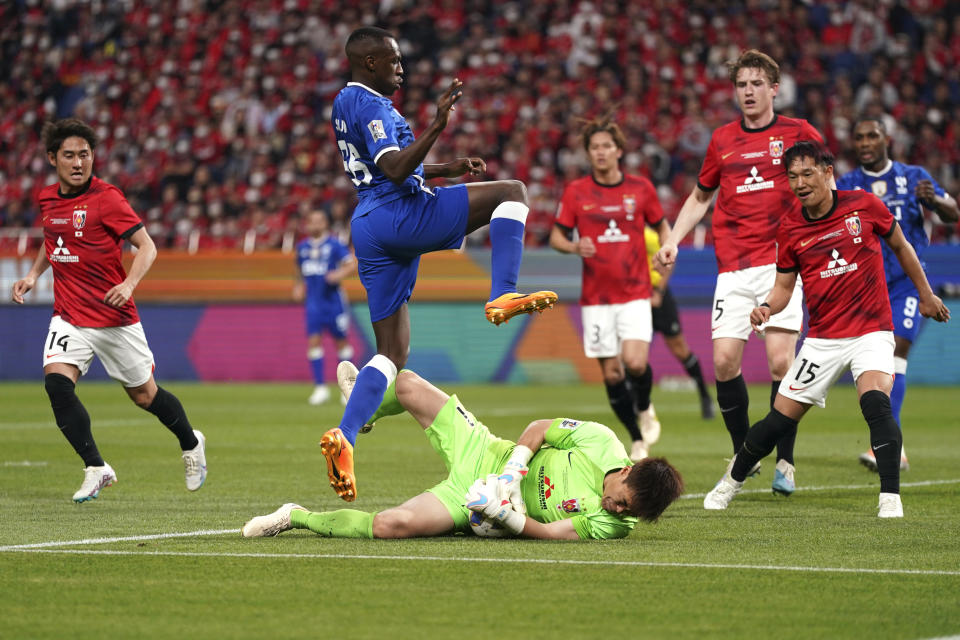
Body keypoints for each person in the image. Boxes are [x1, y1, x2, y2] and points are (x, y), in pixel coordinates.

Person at [321, 27, 557, 503]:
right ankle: (503, 292)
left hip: (370, 225)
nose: (401, 69)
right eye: (393, 61)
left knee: (392, 354)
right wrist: (436, 126)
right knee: (512, 193)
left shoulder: (346, 103)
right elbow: (392, 167)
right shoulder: (369, 104)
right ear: (369, 63)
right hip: (398, 211)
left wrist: (445, 169)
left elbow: (386, 162)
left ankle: (344, 436)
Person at [703, 141, 950, 518]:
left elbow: (901, 246)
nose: (800, 183)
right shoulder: (790, 228)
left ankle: (890, 499)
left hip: (871, 330)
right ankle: (730, 483)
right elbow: (785, 288)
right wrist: (767, 308)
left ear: (828, 172)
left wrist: (926, 294)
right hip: (822, 340)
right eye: (792, 176)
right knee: (777, 421)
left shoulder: (865, 206)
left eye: (807, 173)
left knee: (874, 402)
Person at [241, 362, 684, 540]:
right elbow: (538, 429)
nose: (617, 510)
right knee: (410, 383)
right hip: (490, 453)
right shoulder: (602, 440)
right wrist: (512, 470)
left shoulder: (614, 524)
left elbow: (550, 535)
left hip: (480, 500)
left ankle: (293, 516)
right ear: (629, 469)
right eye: (622, 501)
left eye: (626, 512)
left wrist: (503, 512)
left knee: (392, 525)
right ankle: (364, 414)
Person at [656, 50, 826, 497]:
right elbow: (699, 196)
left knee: (780, 361)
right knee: (726, 362)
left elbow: (826, 181)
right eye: (741, 85)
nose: (748, 92)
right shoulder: (722, 140)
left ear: (774, 88)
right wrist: (672, 239)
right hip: (732, 266)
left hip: (782, 264)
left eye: (756, 84)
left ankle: (785, 461)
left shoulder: (797, 133)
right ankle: (743, 454)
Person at [10, 118, 207, 502]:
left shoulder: (107, 198)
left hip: (113, 316)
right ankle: (96, 467)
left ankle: (190, 441)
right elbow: (53, 240)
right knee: (56, 384)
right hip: (68, 314)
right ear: (53, 159)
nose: (79, 162)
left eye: (85, 154)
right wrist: (34, 275)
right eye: (69, 155)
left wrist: (128, 284)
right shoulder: (48, 199)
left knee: (145, 397)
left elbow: (147, 246)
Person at [837, 117, 960, 472]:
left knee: (897, 351)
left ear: (886, 139)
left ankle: (886, 445)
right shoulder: (847, 184)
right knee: (876, 367)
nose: (865, 143)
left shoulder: (913, 175)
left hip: (907, 283)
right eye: (859, 137)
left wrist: (935, 199)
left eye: (872, 136)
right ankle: (894, 445)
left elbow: (953, 213)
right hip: (865, 286)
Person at [549, 117, 670, 463]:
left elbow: (663, 227)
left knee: (634, 362)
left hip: (634, 291)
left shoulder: (641, 188)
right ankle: (635, 437)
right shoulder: (576, 192)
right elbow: (557, 235)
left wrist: (666, 250)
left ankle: (645, 407)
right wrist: (574, 247)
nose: (600, 152)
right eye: (594, 147)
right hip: (597, 299)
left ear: (618, 150)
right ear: (588, 154)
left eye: (606, 146)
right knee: (612, 373)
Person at [644, 227, 715, 420]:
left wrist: (658, 290)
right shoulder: (621, 231)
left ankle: (705, 397)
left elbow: (669, 260)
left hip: (658, 295)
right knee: (634, 355)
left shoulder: (653, 231)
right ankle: (639, 406)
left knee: (680, 349)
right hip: (635, 297)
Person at [293, 209, 356, 405]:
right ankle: (320, 388)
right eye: (312, 221)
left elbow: (352, 264)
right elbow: (298, 270)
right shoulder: (302, 247)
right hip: (313, 303)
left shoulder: (334, 245)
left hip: (334, 302)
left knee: (341, 343)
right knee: (313, 342)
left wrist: (339, 275)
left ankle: (346, 389)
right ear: (307, 224)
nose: (315, 225)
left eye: (319, 221)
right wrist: (297, 286)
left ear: (325, 224)